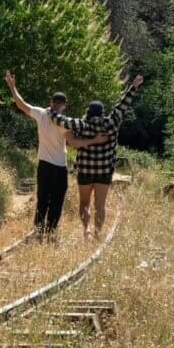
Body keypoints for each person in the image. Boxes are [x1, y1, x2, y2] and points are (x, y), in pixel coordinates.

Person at [4, 71, 108, 237]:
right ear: (64, 105)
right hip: (59, 168)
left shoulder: (40, 113)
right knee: (57, 202)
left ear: (51, 102)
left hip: (43, 166)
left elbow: (21, 104)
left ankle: (38, 232)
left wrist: (12, 87)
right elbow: (74, 143)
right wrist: (94, 140)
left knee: (42, 200)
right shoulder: (63, 122)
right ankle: (51, 233)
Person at [48, 74, 145, 240]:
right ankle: (98, 234)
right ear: (102, 112)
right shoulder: (112, 122)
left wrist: (52, 109)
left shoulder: (81, 124)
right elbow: (122, 106)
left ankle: (86, 230)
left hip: (85, 171)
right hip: (104, 172)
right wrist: (133, 87)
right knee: (100, 205)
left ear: (88, 111)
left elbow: (60, 120)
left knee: (84, 204)